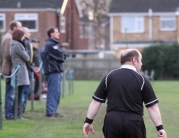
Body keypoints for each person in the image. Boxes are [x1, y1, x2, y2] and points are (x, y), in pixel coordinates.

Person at [83, 49, 167, 138]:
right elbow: (152, 107)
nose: (141, 64)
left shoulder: (109, 77)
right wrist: (160, 128)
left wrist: (88, 121)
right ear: (134, 60)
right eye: (140, 60)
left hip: (112, 121)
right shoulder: (142, 80)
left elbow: (96, 102)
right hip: (133, 123)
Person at [41, 27, 66, 118]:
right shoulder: (50, 45)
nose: (59, 33)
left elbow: (62, 54)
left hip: (57, 71)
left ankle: (53, 111)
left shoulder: (55, 44)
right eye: (56, 32)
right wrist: (62, 55)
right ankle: (51, 112)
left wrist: (62, 54)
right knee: (53, 92)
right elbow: (61, 55)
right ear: (51, 34)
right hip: (52, 72)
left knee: (57, 92)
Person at [1, 20, 22, 119]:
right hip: (9, 69)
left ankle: (11, 113)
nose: (21, 29)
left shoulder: (10, 37)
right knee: (10, 93)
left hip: (11, 68)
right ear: (14, 28)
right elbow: (7, 54)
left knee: (11, 92)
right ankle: (9, 115)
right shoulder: (9, 38)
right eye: (19, 27)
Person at [10, 29, 30, 119]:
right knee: (18, 94)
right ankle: (17, 114)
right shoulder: (17, 45)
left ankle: (17, 113)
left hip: (19, 69)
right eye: (22, 36)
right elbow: (26, 57)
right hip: (20, 70)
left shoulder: (14, 44)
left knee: (19, 93)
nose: (24, 38)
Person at [21, 27, 33, 113]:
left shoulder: (28, 41)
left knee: (26, 90)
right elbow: (26, 56)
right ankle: (21, 109)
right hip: (25, 68)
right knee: (24, 90)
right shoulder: (25, 42)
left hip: (28, 67)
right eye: (28, 32)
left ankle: (22, 109)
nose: (30, 33)